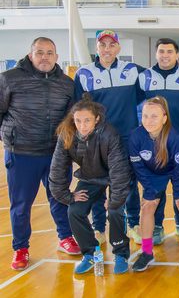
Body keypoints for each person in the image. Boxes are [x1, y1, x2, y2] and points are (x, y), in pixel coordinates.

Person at [0, 36, 80, 270]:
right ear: (30, 54)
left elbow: (70, 119)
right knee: (21, 205)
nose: (44, 57)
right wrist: (9, 136)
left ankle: (65, 237)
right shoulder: (9, 79)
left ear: (56, 57)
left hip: (56, 153)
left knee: (59, 198)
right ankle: (21, 248)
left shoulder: (66, 83)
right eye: (39, 52)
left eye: (49, 53)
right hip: (22, 153)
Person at [74, 29, 146, 245]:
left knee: (129, 184)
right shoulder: (84, 74)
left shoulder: (133, 70)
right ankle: (99, 228)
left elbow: (157, 77)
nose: (107, 49)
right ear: (96, 48)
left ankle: (133, 224)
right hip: (97, 141)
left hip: (127, 138)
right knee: (99, 184)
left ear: (118, 48)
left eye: (111, 44)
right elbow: (78, 108)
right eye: (102, 45)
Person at [49, 97, 131, 274]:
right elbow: (57, 169)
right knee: (75, 210)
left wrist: (114, 200)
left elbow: (119, 171)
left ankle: (121, 253)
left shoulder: (110, 134)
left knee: (116, 211)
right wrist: (67, 196)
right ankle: (91, 253)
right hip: (90, 178)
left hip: (112, 176)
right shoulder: (67, 134)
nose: (82, 125)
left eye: (87, 120)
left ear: (97, 119)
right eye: (78, 120)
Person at [139, 38, 179, 243]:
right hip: (153, 145)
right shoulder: (144, 77)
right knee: (156, 189)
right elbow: (136, 106)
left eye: (169, 51)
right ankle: (156, 227)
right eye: (161, 51)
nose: (165, 55)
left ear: (177, 55)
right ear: (156, 54)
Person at [128, 97, 179, 271]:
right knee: (148, 207)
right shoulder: (135, 136)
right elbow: (138, 167)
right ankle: (147, 252)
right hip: (154, 172)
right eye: (145, 116)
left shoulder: (176, 137)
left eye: (154, 116)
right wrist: (150, 190)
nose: (148, 121)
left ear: (164, 118)